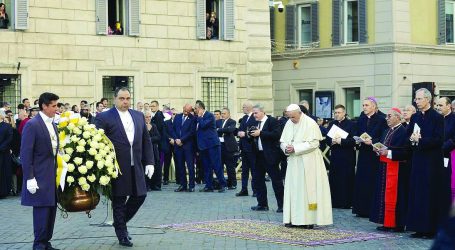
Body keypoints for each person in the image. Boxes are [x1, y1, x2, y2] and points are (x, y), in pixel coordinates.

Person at [94, 87, 155, 247]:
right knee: (119, 200)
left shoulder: (138, 115)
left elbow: (145, 140)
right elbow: (96, 142)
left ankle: (119, 222)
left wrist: (149, 162)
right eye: (122, 98)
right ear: (115, 99)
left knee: (140, 195)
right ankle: (122, 233)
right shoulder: (104, 117)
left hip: (137, 165)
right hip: (116, 167)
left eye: (128, 98)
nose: (125, 101)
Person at [280, 104, 332, 227]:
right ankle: (294, 219)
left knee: (307, 191)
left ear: (299, 113)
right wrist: (286, 148)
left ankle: (308, 220)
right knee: (294, 190)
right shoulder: (289, 123)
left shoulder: (310, 123)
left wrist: (295, 148)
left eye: (293, 117)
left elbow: (314, 143)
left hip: (309, 161)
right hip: (294, 162)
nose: (292, 119)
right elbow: (283, 141)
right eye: (289, 117)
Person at [20, 92, 60, 250]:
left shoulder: (53, 124)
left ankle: (46, 243)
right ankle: (38, 245)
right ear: (44, 106)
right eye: (54, 106)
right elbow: (25, 153)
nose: (56, 109)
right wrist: (29, 177)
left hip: (52, 176)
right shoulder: (32, 124)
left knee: (51, 211)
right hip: (39, 176)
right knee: (42, 212)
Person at [407, 88, 446, 239]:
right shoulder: (415, 117)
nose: (416, 102)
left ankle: (430, 229)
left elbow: (438, 140)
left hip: (431, 162)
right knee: (417, 193)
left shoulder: (437, 117)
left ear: (427, 100)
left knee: (429, 194)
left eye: (418, 99)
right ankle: (418, 227)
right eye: (416, 99)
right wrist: (412, 140)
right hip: (418, 159)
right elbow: (409, 135)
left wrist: (421, 140)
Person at [370, 108, 410, 233]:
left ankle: (397, 224)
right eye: (386, 116)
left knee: (397, 197)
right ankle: (386, 223)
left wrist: (388, 152)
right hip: (384, 168)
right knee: (383, 195)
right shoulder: (386, 131)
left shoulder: (403, 131)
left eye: (389, 116)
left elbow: (406, 152)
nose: (387, 118)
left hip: (397, 170)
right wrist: (378, 150)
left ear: (398, 117)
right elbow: (383, 146)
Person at [352, 97, 388, 218]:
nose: (364, 107)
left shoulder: (381, 120)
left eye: (367, 105)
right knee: (362, 180)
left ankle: (370, 209)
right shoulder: (361, 119)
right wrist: (358, 140)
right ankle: (360, 209)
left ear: (373, 106)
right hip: (363, 153)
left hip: (374, 154)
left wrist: (373, 141)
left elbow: (383, 136)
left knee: (372, 181)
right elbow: (356, 133)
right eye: (363, 105)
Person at [249, 104, 284, 212]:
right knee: (258, 180)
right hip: (258, 155)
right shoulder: (255, 123)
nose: (254, 115)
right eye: (253, 113)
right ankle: (262, 204)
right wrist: (249, 134)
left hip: (270, 155)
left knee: (276, 181)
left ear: (262, 112)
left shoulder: (272, 121)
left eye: (256, 113)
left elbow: (277, 134)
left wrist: (261, 133)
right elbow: (253, 137)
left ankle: (282, 205)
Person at [325, 104, 356, 209]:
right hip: (335, 155)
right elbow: (327, 139)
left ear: (344, 113)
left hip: (347, 156)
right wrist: (332, 141)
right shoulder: (332, 124)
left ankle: (346, 202)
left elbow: (354, 141)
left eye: (339, 113)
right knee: (334, 179)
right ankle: (334, 202)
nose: (336, 115)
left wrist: (341, 141)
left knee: (346, 180)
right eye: (335, 113)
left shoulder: (351, 124)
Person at [195, 101, 226, 192]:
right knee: (206, 166)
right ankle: (209, 186)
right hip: (203, 146)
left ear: (200, 108)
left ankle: (222, 184)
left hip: (212, 145)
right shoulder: (198, 117)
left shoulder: (209, 115)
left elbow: (203, 125)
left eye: (196, 108)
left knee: (216, 165)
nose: (195, 110)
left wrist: (200, 117)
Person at [437, 97, 455, 216]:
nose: (438, 108)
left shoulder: (453, 119)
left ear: (449, 106)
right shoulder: (436, 119)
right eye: (437, 105)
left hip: (448, 155)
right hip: (435, 156)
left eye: (440, 105)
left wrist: (442, 148)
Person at [171, 104, 196, 192]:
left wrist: (182, 140)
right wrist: (176, 139)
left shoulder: (193, 118)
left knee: (190, 166)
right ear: (183, 109)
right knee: (180, 166)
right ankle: (183, 185)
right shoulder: (177, 116)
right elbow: (172, 129)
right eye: (185, 110)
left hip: (188, 146)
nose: (186, 112)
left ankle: (191, 185)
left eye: (188, 111)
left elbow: (192, 132)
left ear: (190, 111)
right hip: (178, 146)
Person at [236, 101, 257, 197]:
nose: (242, 108)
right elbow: (240, 128)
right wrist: (238, 132)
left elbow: (254, 130)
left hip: (252, 147)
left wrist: (244, 133)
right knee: (244, 170)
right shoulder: (244, 118)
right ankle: (244, 189)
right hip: (244, 148)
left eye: (244, 106)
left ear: (249, 108)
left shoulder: (254, 117)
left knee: (254, 170)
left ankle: (255, 190)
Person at [217, 108, 238, 189]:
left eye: (224, 113)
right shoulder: (219, 121)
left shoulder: (232, 121)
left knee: (230, 166)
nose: (222, 115)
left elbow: (230, 129)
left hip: (229, 147)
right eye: (222, 113)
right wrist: (220, 130)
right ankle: (223, 183)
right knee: (220, 165)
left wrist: (219, 130)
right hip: (220, 146)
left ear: (229, 114)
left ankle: (233, 183)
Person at [144, 111, 161, 191]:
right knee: (146, 167)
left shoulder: (154, 126)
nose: (148, 118)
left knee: (155, 167)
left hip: (154, 149)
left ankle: (154, 185)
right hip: (145, 150)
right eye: (146, 117)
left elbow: (158, 137)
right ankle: (147, 185)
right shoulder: (142, 126)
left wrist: (149, 140)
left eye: (149, 117)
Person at [0, 110, 13, 198]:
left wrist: (1, 147)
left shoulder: (7, 126)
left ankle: (3, 192)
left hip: (3, 153)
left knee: (3, 172)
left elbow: (9, 138)